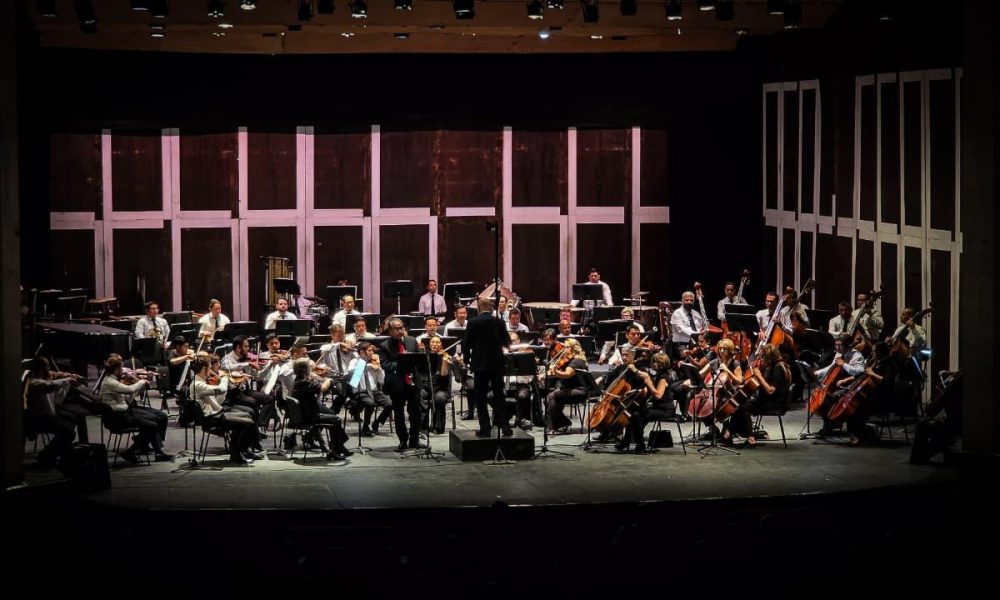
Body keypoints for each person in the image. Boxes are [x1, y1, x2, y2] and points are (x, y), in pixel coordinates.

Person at [99, 355, 172, 463]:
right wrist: (141, 382)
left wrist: (138, 386)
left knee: (158, 419)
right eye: (121, 368)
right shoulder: (110, 382)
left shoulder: (113, 381)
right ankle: (136, 450)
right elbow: (129, 390)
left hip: (124, 412)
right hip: (117, 417)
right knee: (153, 424)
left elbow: (128, 398)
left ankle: (150, 446)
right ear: (117, 369)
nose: (123, 371)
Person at [190, 357, 261, 465]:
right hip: (211, 418)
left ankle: (237, 452)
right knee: (248, 423)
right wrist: (225, 378)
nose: (211, 371)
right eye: (209, 368)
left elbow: (218, 399)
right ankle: (239, 451)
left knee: (247, 415)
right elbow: (221, 389)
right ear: (204, 369)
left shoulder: (201, 382)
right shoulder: (198, 384)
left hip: (216, 413)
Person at [463, 297, 512, 437]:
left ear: (478, 308)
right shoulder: (499, 321)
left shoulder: (473, 322)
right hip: (497, 364)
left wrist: (466, 360)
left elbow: (467, 344)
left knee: (481, 397)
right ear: (491, 308)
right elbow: (507, 341)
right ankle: (505, 426)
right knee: (499, 395)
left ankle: (485, 428)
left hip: (480, 364)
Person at [291, 358, 353, 461]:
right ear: (305, 369)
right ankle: (336, 448)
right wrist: (328, 379)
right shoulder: (303, 382)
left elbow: (315, 387)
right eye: (309, 368)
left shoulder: (299, 380)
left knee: (332, 416)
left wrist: (317, 378)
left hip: (307, 412)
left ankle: (339, 446)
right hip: (308, 416)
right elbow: (323, 388)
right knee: (336, 420)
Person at [730, 343, 789, 447]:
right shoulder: (774, 366)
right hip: (768, 400)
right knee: (738, 404)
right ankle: (728, 433)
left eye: (763, 357)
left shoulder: (777, 369)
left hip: (773, 402)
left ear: (769, 357)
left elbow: (770, 390)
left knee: (743, 407)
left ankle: (750, 438)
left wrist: (759, 376)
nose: (761, 359)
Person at [379, 317, 424, 451]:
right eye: (396, 329)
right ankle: (403, 440)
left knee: (415, 412)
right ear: (390, 331)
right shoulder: (385, 345)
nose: (400, 331)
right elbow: (385, 364)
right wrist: (402, 364)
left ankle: (414, 440)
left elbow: (418, 359)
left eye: (401, 328)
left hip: (412, 382)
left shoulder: (412, 341)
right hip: (397, 384)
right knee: (399, 413)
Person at [347, 342, 393, 436]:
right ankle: (365, 427)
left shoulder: (375, 362)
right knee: (370, 403)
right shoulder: (354, 362)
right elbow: (352, 376)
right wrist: (367, 365)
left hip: (374, 390)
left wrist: (379, 370)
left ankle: (377, 423)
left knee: (390, 404)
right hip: (361, 391)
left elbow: (381, 381)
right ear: (362, 352)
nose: (372, 352)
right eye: (369, 350)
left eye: (372, 350)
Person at [544, 337, 589, 434]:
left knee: (552, 396)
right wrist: (544, 374)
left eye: (567, 347)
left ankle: (555, 426)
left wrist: (555, 371)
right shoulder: (567, 360)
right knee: (549, 398)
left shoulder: (577, 361)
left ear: (573, 349)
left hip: (579, 391)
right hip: (568, 389)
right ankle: (561, 423)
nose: (564, 349)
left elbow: (567, 374)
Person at [418, 336, 452, 434]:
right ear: (429, 344)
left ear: (441, 344)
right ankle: (423, 426)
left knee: (439, 398)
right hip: (427, 386)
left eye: (437, 342)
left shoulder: (445, 356)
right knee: (420, 394)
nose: (435, 344)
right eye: (433, 342)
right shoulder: (425, 357)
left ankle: (438, 427)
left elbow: (444, 376)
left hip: (441, 388)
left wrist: (445, 363)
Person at [670, 291, 707, 356]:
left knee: (711, 351)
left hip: (696, 343)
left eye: (691, 300)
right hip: (681, 344)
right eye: (687, 300)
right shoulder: (677, 313)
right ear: (682, 301)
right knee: (687, 354)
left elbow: (702, 326)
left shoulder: (696, 313)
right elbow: (682, 329)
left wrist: (703, 333)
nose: (689, 302)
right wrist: (698, 333)